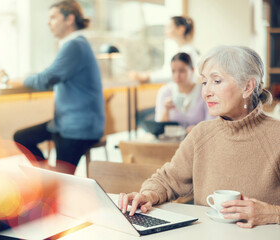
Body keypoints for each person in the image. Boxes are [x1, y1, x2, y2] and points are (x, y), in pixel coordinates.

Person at [118, 46, 280, 228]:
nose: (206, 92)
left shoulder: (276, 136)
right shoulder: (201, 134)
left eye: (216, 81)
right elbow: (168, 180)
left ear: (247, 87)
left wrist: (271, 213)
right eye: (204, 82)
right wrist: (147, 195)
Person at [13, 0, 104, 174]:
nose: (48, 22)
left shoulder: (74, 45)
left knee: (63, 182)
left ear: (69, 19)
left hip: (78, 128)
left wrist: (21, 79)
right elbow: (52, 77)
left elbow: (46, 79)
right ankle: (47, 173)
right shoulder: (75, 44)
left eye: (53, 17)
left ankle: (51, 178)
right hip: (65, 124)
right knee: (21, 137)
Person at [129, 16, 199, 84]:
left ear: (181, 29)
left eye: (169, 27)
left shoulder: (187, 52)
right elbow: (168, 71)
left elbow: (173, 75)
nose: (164, 31)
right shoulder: (175, 50)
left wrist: (148, 77)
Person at [154, 52, 209, 133]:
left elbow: (212, 122)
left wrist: (198, 129)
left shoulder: (204, 91)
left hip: (198, 138)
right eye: (173, 71)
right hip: (171, 141)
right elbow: (158, 127)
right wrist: (166, 110)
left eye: (182, 71)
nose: (177, 76)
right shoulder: (165, 92)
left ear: (192, 70)